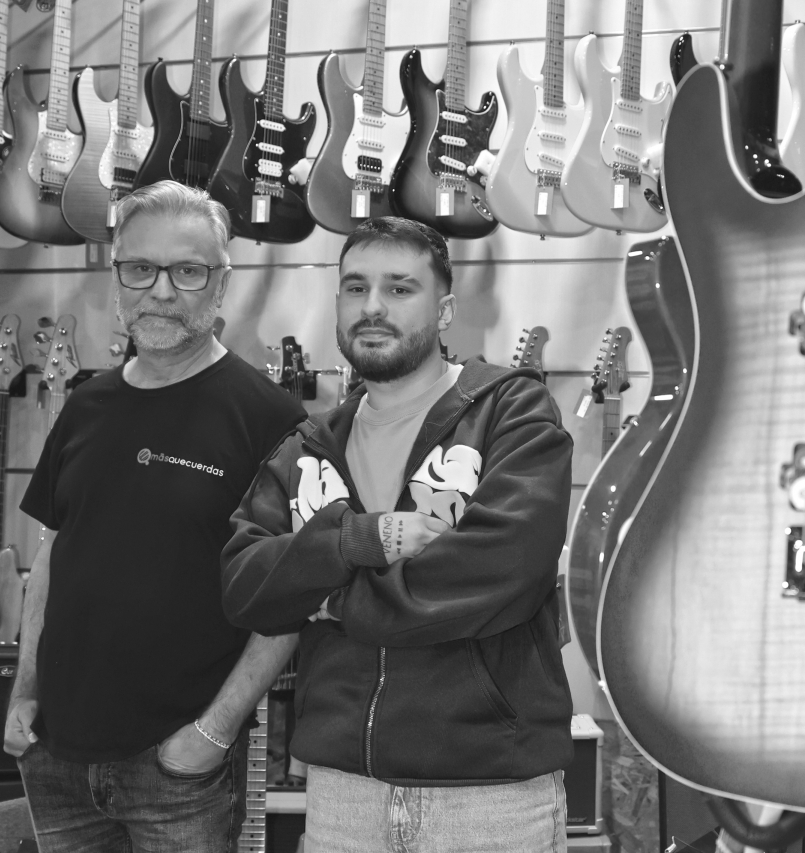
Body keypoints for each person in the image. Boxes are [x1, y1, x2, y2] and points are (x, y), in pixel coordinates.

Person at [220, 217, 575, 852]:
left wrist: (326, 600)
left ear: (444, 312)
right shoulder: (306, 449)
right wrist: (359, 541)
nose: (373, 307)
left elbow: (503, 575)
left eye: (399, 288)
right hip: (340, 796)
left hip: (490, 795)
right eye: (355, 288)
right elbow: (244, 587)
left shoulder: (510, 413)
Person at [4, 181, 308, 852]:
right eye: (139, 268)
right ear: (117, 277)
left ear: (221, 284)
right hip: (57, 756)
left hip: (179, 771)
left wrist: (212, 732)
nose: (161, 291)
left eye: (188, 270)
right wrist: (25, 692)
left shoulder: (270, 419)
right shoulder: (86, 405)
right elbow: (54, 554)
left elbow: (292, 598)